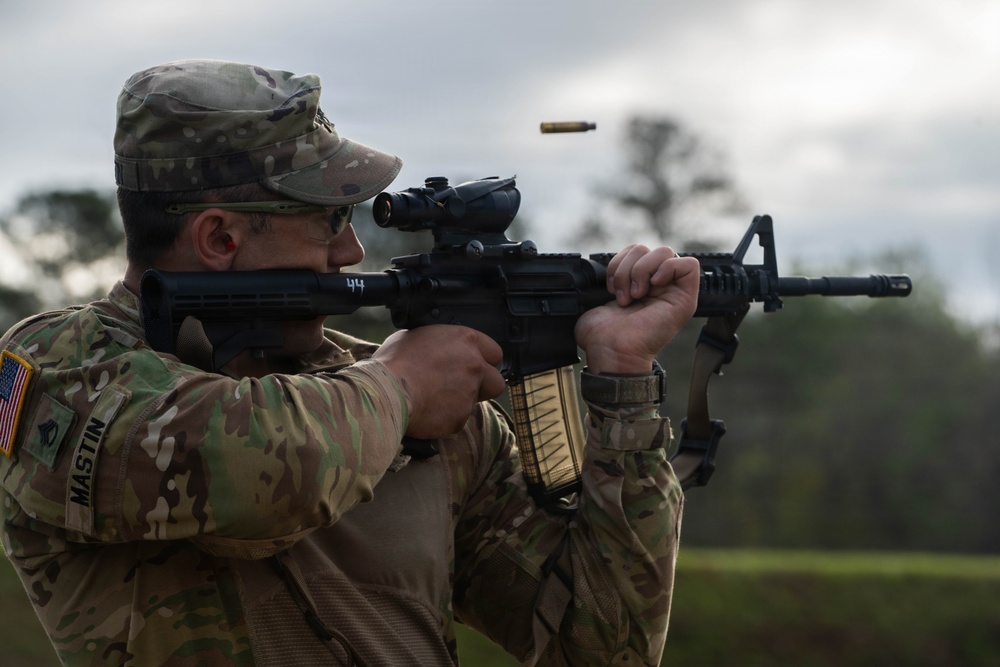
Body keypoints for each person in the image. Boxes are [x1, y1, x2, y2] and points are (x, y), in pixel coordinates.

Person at [0, 59, 699, 666]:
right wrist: (400, 388)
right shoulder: (61, 376)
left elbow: (602, 648)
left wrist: (624, 381)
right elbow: (242, 466)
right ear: (219, 237)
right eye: (329, 218)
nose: (350, 253)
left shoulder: (430, 417)